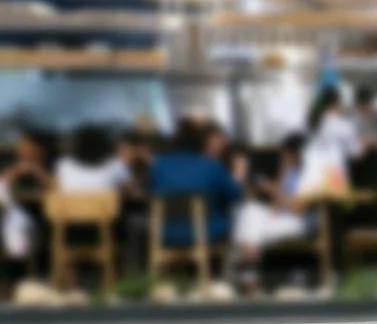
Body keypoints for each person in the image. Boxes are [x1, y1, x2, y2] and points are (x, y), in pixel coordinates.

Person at [148, 118, 241, 250]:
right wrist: (237, 177)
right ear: (201, 143)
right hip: (206, 232)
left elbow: (149, 193)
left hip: (163, 233)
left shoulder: (158, 165)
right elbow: (235, 195)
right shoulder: (211, 166)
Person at [233, 133, 314, 277]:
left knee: (249, 232)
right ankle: (249, 274)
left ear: (296, 154)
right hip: (283, 216)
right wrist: (278, 180)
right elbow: (278, 204)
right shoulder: (289, 171)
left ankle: (247, 277)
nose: (282, 158)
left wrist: (271, 189)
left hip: (301, 220)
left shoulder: (310, 174)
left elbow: (299, 208)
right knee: (250, 210)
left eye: (285, 154)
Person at [0, 131, 52, 268]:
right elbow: (3, 185)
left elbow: (55, 189)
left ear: (38, 150)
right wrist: (15, 172)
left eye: (28, 147)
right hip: (15, 213)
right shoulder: (11, 165)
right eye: (21, 148)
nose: (24, 151)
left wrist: (38, 172)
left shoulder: (47, 165)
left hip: (42, 214)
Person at [301, 86, 363, 193]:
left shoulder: (309, 123)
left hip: (310, 177)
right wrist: (364, 143)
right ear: (336, 103)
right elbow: (356, 154)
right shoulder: (343, 125)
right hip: (333, 177)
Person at [55, 125, 131, 193]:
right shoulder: (116, 164)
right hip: (105, 208)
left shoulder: (64, 164)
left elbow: (56, 189)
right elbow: (130, 192)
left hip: (70, 208)